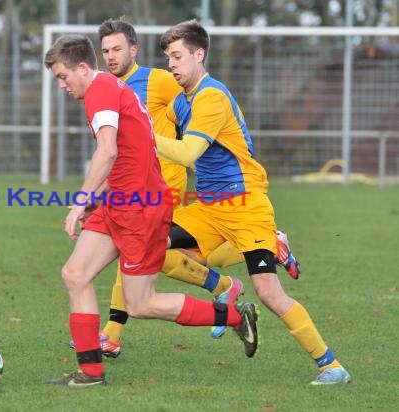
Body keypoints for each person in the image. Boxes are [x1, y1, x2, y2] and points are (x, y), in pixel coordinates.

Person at [43, 34, 259, 387]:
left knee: (140, 304)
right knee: (75, 274)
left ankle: (234, 315)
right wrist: (99, 198)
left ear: (82, 67)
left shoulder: (100, 90)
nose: (62, 85)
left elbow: (108, 151)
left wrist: (81, 200)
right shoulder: (110, 87)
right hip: (121, 202)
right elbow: (131, 155)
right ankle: (90, 373)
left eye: (62, 76)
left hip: (140, 210)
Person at [155, 20, 350, 385]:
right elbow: (153, 119)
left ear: (200, 55)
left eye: (178, 56)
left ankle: (331, 366)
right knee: (154, 246)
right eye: (168, 58)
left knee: (269, 293)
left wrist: (146, 138)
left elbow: (187, 152)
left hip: (246, 206)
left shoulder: (212, 97)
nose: (172, 65)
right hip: (208, 207)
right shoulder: (181, 102)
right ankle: (224, 287)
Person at [92, 18, 301, 356]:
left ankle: (112, 336)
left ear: (134, 49)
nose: (111, 56)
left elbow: (195, 114)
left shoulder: (159, 80)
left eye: (117, 49)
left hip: (165, 184)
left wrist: (220, 147)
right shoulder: (108, 87)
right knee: (156, 255)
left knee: (137, 249)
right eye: (105, 51)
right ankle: (228, 281)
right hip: (134, 185)